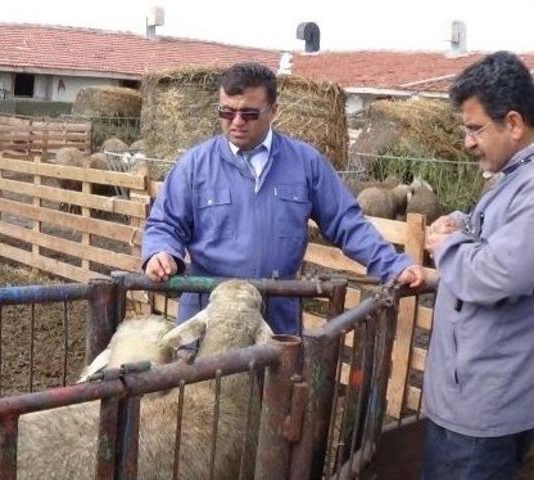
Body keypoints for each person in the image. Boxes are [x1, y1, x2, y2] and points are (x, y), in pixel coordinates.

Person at [142, 62, 424, 334]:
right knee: (205, 383)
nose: (236, 122)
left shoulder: (304, 163)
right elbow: (165, 223)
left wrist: (393, 265)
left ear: (273, 110)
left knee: (274, 382)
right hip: (209, 310)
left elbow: (346, 222)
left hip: (276, 313)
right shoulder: (195, 165)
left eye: (249, 114)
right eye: (227, 112)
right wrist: (160, 251)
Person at [422, 51, 534, 479]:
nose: (467, 142)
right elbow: (502, 237)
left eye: (475, 128)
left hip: (485, 409)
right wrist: (465, 222)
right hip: (468, 398)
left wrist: (446, 245)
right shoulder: (513, 178)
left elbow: (500, 272)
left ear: (514, 123)